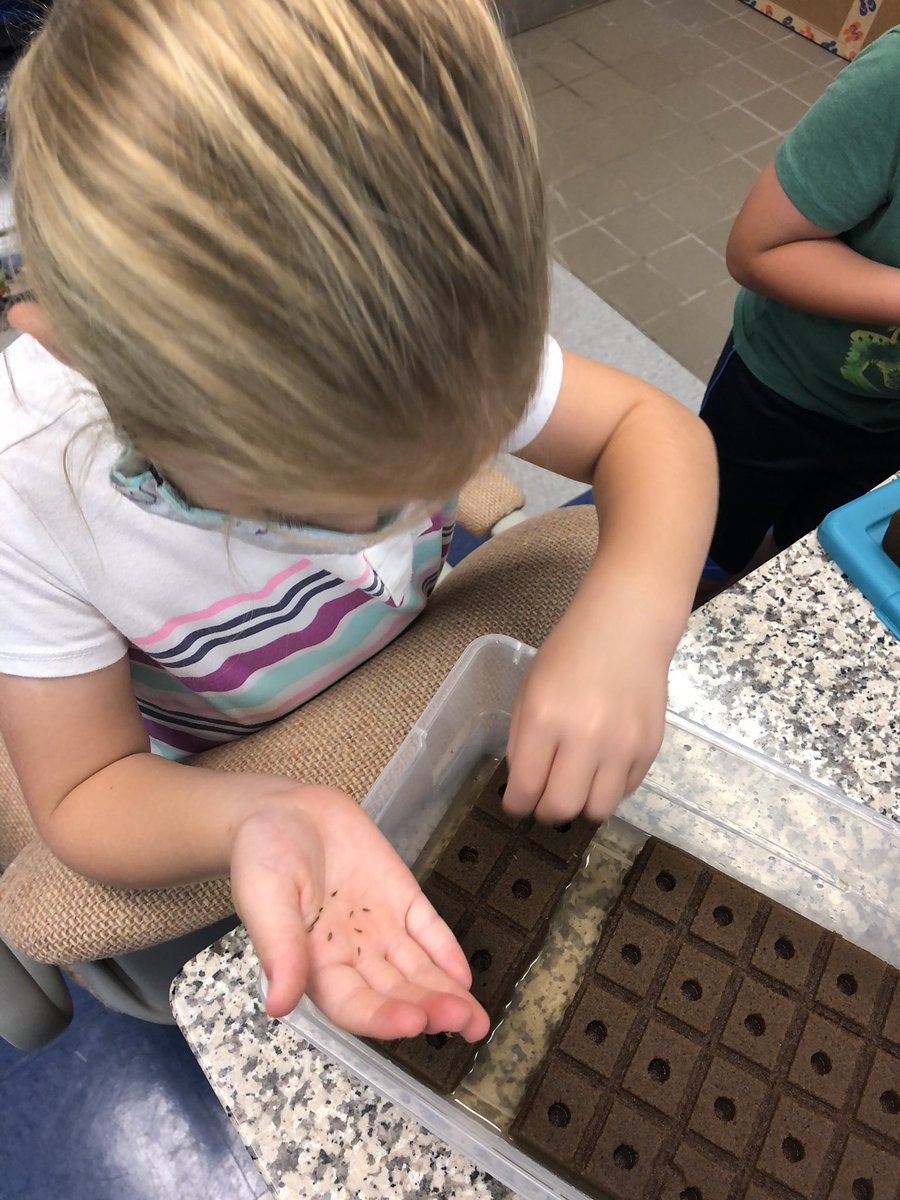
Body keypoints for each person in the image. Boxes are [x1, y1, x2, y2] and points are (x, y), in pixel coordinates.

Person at [0, 0, 715, 1042]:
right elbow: (84, 794)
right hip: (208, 750)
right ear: (82, 359)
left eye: (434, 472)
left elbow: (655, 430)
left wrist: (632, 616)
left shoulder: (429, 321)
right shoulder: (30, 483)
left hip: (389, 663)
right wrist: (266, 812)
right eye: (301, 509)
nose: (389, 530)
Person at [697, 27, 900, 604]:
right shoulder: (894, 81)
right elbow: (758, 249)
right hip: (779, 389)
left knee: (815, 560)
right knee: (705, 550)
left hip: (886, 433)